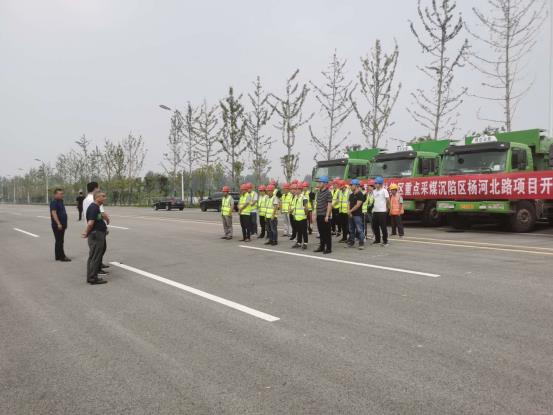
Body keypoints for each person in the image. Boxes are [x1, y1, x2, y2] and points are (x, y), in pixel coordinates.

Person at [82, 192, 108, 285]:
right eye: (103, 196)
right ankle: (92, 278)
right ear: (97, 198)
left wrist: (104, 228)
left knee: (93, 256)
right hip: (96, 235)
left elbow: (98, 220)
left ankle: (91, 277)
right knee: (95, 257)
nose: (105, 198)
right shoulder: (93, 207)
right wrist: (86, 232)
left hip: (97, 233)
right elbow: (90, 223)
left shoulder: (96, 207)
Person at [50, 188, 70, 262]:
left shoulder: (60, 201)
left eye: (62, 193)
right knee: (60, 241)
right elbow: (54, 213)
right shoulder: (54, 202)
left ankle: (57, 256)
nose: (62, 195)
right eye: (60, 194)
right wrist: (58, 223)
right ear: (55, 194)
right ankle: (62, 257)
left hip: (62, 224)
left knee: (59, 240)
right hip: (57, 225)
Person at [314, 176, 333, 254]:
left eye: (320, 182)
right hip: (319, 215)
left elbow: (329, 205)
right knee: (321, 232)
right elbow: (317, 204)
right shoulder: (318, 192)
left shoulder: (328, 193)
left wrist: (327, 215)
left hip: (325, 215)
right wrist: (315, 214)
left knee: (327, 233)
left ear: (325, 183)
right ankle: (321, 246)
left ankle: (328, 248)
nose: (318, 184)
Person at [347, 179, 366, 250]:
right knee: (351, 229)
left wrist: (350, 211)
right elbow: (349, 204)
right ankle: (351, 242)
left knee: (359, 229)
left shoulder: (360, 194)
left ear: (356, 185)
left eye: (351, 185)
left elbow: (358, 205)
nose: (350, 186)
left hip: (357, 215)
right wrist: (349, 211)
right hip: (351, 215)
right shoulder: (351, 195)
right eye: (350, 185)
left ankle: (361, 243)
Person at [372, 176, 390, 246]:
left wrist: (387, 208)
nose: (375, 184)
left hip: (382, 211)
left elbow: (388, 200)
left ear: (380, 184)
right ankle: (377, 240)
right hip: (375, 211)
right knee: (375, 226)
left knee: (383, 227)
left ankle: (385, 241)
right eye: (375, 183)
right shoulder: (374, 191)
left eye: (376, 183)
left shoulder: (384, 191)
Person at [292, 184, 309, 250]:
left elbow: (306, 207)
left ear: (300, 190)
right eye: (295, 189)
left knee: (304, 231)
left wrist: (306, 214)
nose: (296, 190)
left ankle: (305, 243)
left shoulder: (304, 198)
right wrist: (293, 214)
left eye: (297, 189)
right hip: (296, 218)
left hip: (302, 218)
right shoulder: (295, 197)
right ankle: (299, 242)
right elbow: (294, 207)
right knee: (298, 231)